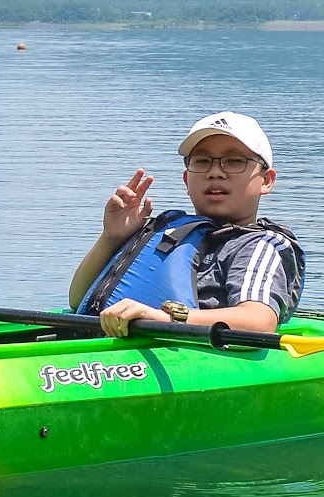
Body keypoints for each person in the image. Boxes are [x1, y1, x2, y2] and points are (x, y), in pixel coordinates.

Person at [68, 111, 304, 337]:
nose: (215, 172)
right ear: (186, 180)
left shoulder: (261, 246)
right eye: (202, 162)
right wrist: (113, 238)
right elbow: (79, 299)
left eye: (234, 162)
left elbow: (258, 322)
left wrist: (163, 318)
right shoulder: (169, 231)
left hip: (198, 359)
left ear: (266, 180)